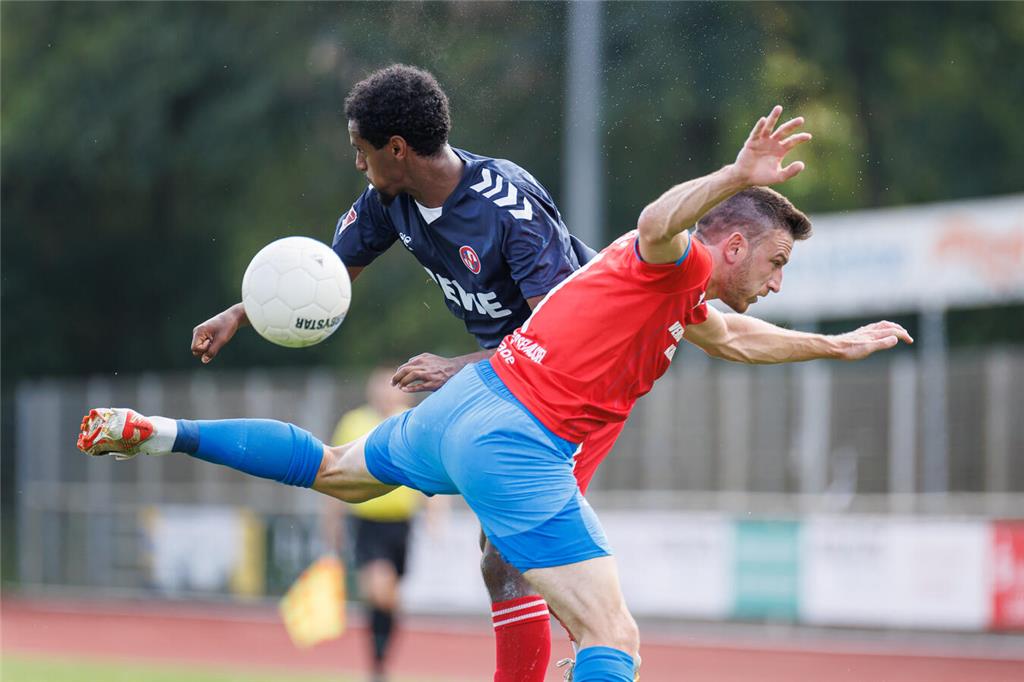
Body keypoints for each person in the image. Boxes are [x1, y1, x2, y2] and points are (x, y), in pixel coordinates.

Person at [78, 105, 913, 681]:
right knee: (610, 634)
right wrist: (732, 174)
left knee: (335, 468)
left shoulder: (690, 296)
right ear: (731, 245)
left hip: (463, 409)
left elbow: (733, 339)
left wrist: (834, 346)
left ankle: (163, 432)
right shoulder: (680, 256)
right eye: (775, 264)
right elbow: (661, 220)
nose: (776, 282)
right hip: (519, 440)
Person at [188, 63, 620, 681]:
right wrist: (239, 313)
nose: (357, 165)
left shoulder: (507, 207)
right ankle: (589, 652)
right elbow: (323, 275)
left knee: (519, 551)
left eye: (361, 151)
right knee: (501, 556)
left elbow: (563, 334)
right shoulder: (390, 202)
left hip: (582, 373)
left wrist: (456, 367)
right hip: (514, 378)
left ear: (396, 148)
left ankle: (604, 654)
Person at [321, 367, 426, 682]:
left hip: (402, 523)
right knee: (379, 593)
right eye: (379, 387)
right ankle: (377, 664)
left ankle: (380, 660)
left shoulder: (412, 419)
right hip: (366, 521)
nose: (385, 393)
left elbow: (430, 464)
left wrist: (436, 510)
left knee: (391, 599)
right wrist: (332, 523)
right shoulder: (354, 422)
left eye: (390, 387)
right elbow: (332, 472)